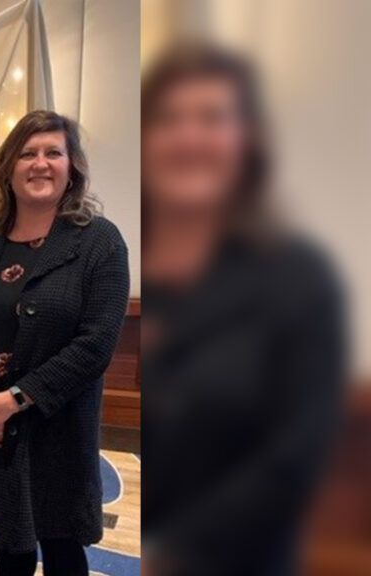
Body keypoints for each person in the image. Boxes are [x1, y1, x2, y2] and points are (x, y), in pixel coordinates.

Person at [140, 44, 344, 576]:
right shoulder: (143, 258)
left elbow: (298, 454)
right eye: (169, 119)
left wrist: (172, 550)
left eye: (212, 118)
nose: (189, 138)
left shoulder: (297, 274)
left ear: (249, 138)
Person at [0, 110, 130, 575]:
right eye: (27, 153)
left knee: (63, 548)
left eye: (53, 152)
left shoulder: (100, 243)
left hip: (58, 427)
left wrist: (16, 400)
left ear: (73, 167)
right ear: (8, 168)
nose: (39, 163)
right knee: (12, 544)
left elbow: (96, 345)